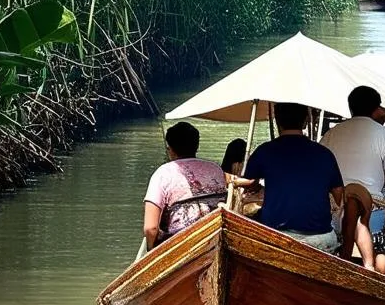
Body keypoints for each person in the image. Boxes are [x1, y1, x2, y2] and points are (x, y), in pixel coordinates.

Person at [233, 103, 344, 252]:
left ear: (277, 120)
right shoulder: (324, 153)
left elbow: (251, 183)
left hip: (277, 237)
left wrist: (231, 180)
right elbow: (339, 195)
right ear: (306, 121)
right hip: (320, 238)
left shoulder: (265, 151)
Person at [321, 86, 385, 272]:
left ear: (350, 108)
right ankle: (379, 277)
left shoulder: (331, 133)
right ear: (376, 108)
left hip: (335, 206)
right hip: (372, 205)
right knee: (381, 250)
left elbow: (320, 171)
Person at [142, 122, 227, 250]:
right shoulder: (216, 169)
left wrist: (150, 250)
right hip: (214, 240)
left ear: (170, 149)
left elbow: (151, 228)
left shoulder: (162, 174)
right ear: (196, 146)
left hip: (178, 246)